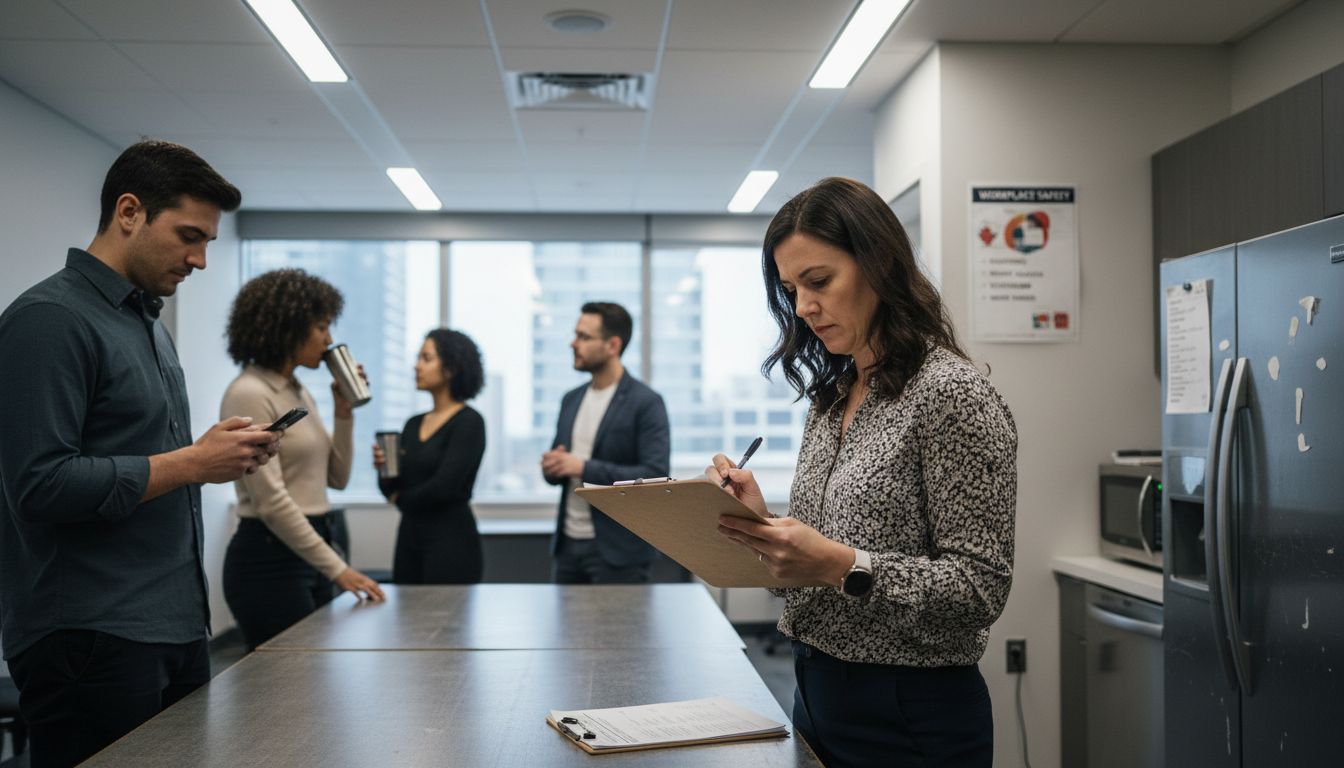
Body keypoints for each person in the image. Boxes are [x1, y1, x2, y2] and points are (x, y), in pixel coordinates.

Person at [707, 177, 1017, 768]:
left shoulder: (949, 392)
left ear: (879, 265)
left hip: (909, 713)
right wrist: (763, 526)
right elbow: (808, 574)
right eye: (791, 290)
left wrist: (840, 564)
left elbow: (980, 589)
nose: (803, 307)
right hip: (815, 692)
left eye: (819, 282)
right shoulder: (833, 397)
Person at [0, 140, 282, 768]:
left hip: (173, 624)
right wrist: (193, 463)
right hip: (90, 635)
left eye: (208, 242)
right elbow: (40, 485)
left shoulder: (147, 323)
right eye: (189, 236)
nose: (200, 259)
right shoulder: (48, 320)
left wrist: (216, 455)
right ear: (129, 212)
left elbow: (145, 460)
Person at [220, 269, 386, 651]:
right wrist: (339, 569)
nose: (329, 340)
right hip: (269, 558)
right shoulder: (249, 392)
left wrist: (344, 412)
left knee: (314, 678)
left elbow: (337, 478)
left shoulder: (297, 392)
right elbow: (271, 502)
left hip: (312, 545)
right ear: (288, 326)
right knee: (286, 680)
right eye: (321, 327)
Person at [541, 302, 671, 584]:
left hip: (619, 551)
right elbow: (560, 470)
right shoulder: (571, 399)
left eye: (584, 337)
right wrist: (552, 466)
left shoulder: (646, 402)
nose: (573, 343)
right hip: (567, 546)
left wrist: (582, 467)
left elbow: (655, 475)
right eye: (576, 335)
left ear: (612, 345)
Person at [375, 329, 487, 584]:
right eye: (418, 358)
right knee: (406, 608)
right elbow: (390, 486)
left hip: (451, 542)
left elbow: (444, 488)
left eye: (426, 358)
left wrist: (400, 498)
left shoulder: (469, 422)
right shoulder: (412, 424)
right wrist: (384, 469)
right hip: (409, 538)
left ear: (451, 368)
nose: (417, 366)